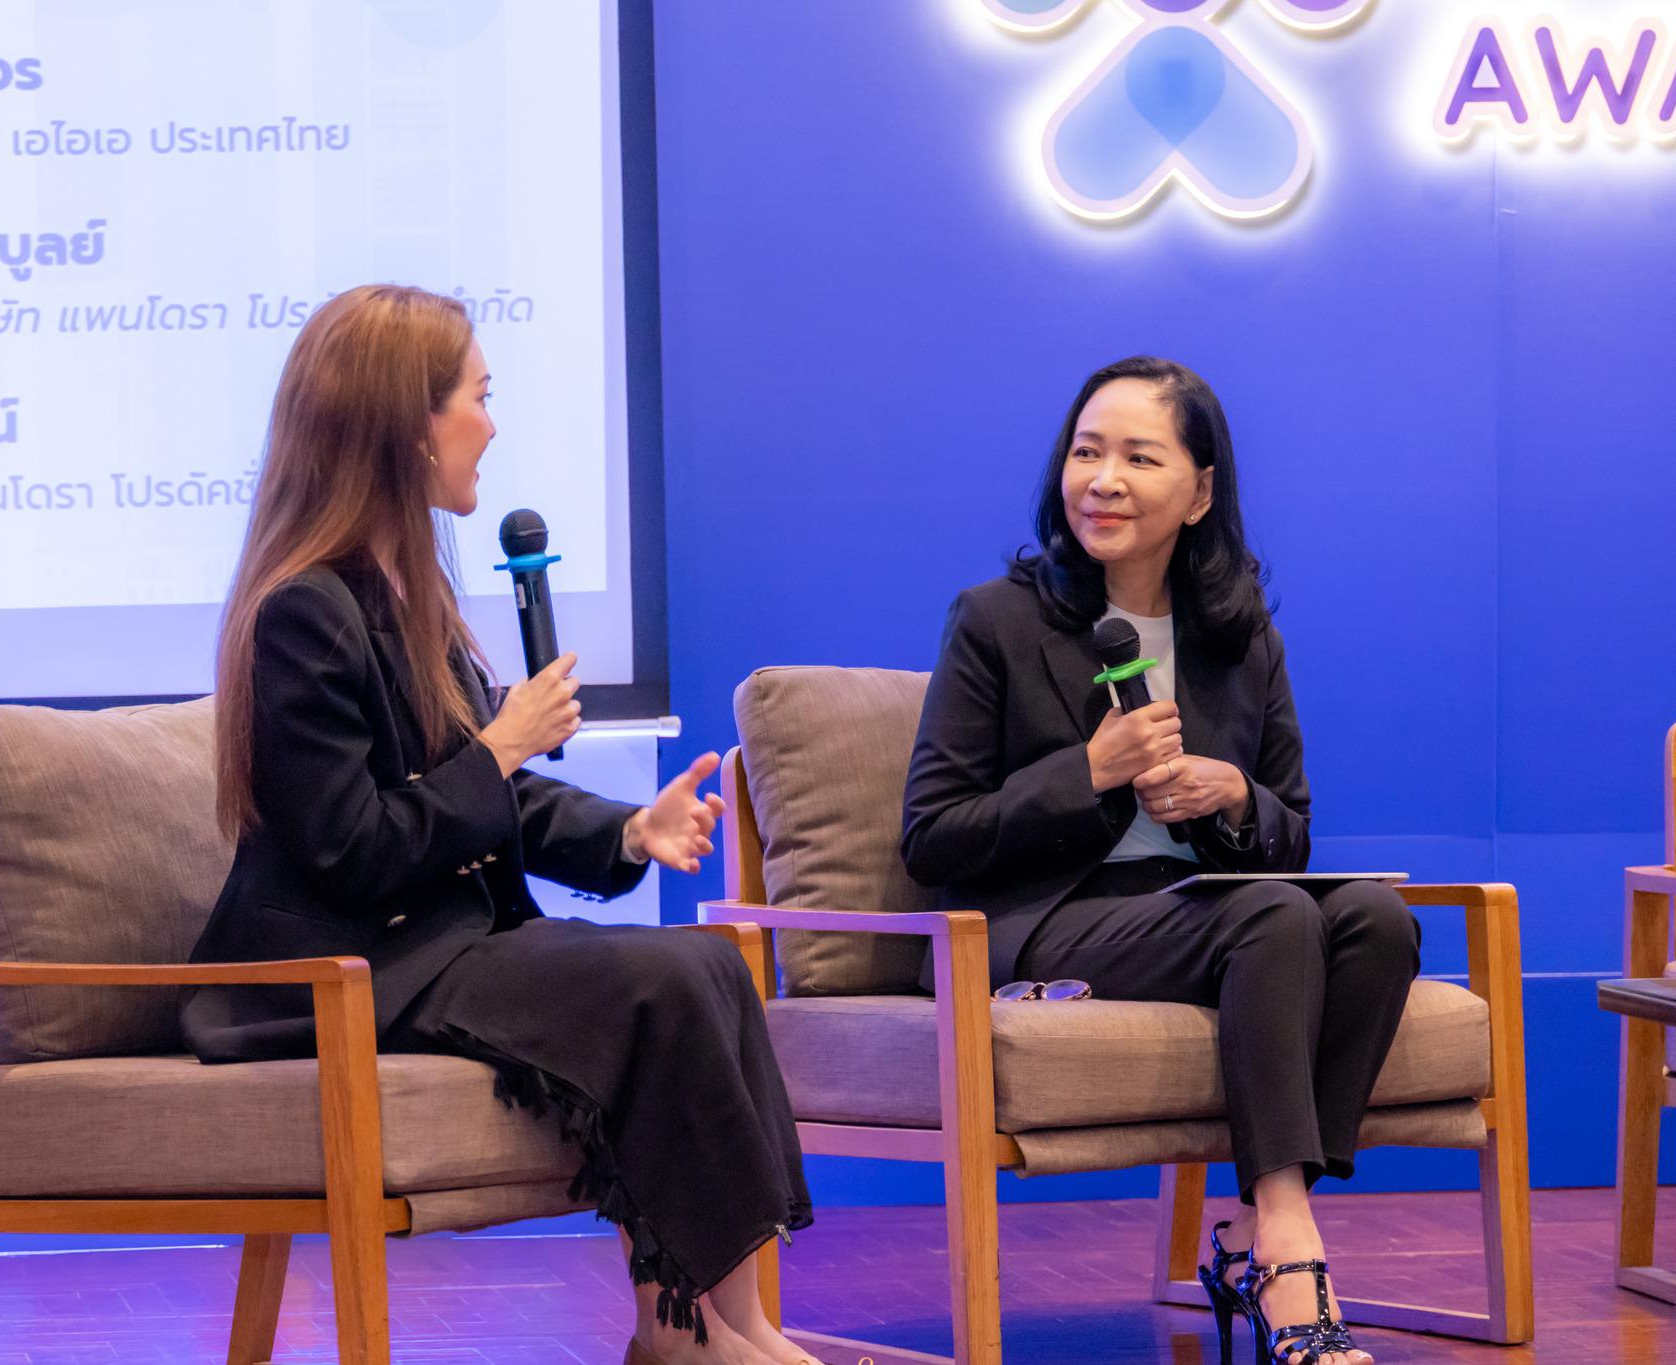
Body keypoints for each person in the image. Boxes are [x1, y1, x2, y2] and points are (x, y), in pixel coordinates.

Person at [181, 285, 815, 1365]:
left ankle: (732, 1327)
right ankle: (686, 1338)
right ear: (407, 425)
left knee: (706, 960)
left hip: (437, 945)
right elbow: (353, 849)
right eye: (477, 397)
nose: (491, 423)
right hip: (349, 967)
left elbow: (485, 797)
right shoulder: (303, 611)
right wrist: (500, 746)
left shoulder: (403, 593)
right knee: (652, 983)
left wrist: (629, 832)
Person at [900, 357, 1418, 1365]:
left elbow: (1292, 826)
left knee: (1375, 920)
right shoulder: (996, 620)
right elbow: (932, 834)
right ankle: (1288, 1245)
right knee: (1274, 915)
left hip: (1191, 904)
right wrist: (1086, 773)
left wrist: (1235, 796)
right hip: (1039, 921)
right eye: (1086, 452)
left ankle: (1254, 1229)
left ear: (1200, 491)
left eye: (1139, 458)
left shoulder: (1239, 636)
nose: (1102, 480)